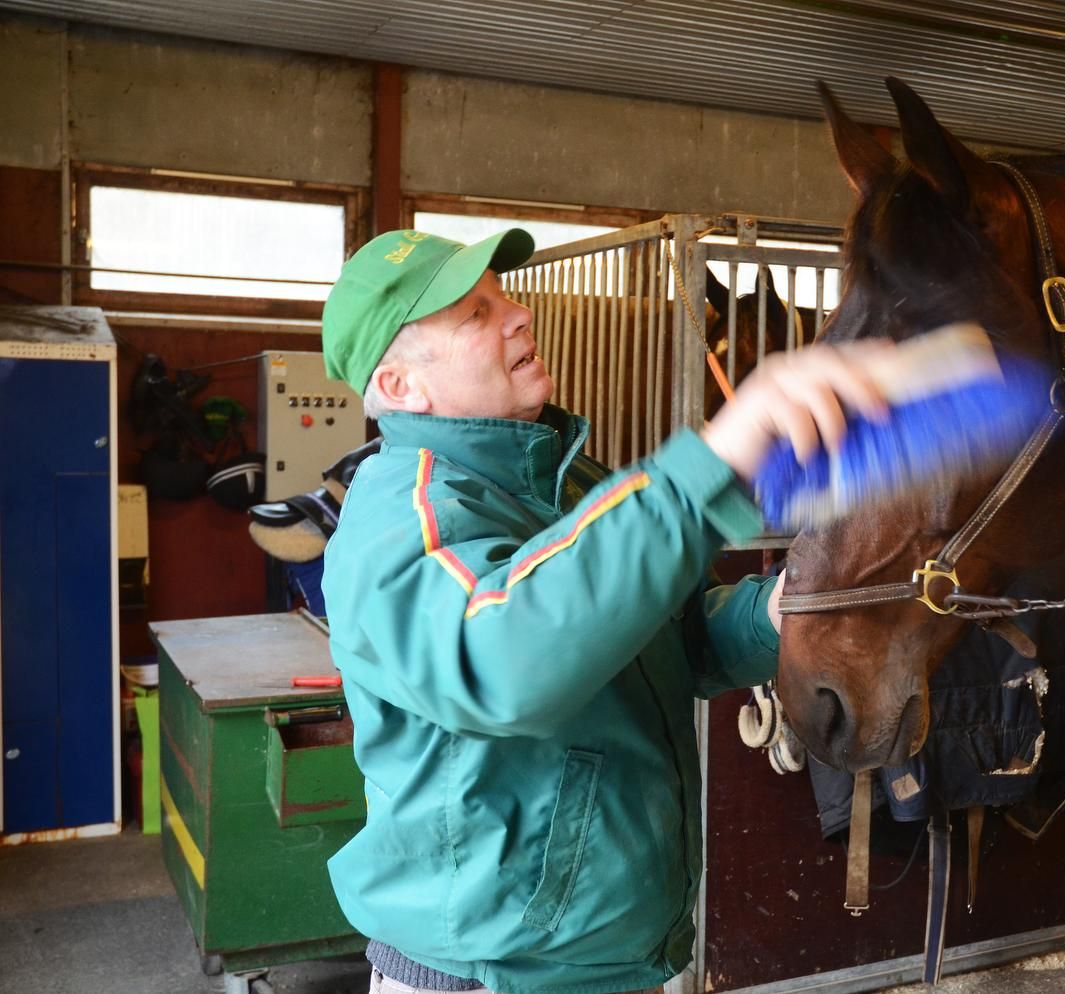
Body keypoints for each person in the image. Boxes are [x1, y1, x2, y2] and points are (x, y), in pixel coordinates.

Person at [318, 228, 887, 994]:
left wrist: (780, 613)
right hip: (490, 976)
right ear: (400, 387)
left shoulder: (570, 478)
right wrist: (704, 471)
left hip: (615, 961)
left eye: (503, 296)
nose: (518, 314)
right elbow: (504, 660)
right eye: (474, 314)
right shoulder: (402, 519)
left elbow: (675, 641)